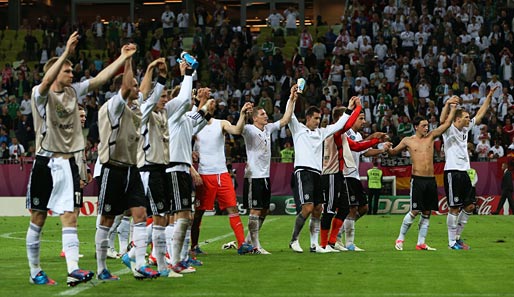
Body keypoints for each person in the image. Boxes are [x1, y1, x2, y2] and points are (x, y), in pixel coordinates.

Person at [25, 31, 125, 286]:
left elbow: (100, 79)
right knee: (38, 217)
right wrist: (66, 53)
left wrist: (122, 58)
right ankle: (35, 271)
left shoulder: (73, 92)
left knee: (70, 215)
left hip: (67, 163)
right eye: (68, 71)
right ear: (56, 72)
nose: (72, 75)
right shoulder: (41, 93)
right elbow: (46, 81)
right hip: (45, 163)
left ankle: (73, 268)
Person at [96, 45, 161, 280]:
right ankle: (102, 267)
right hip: (112, 168)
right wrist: (129, 60)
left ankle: (140, 264)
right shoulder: (114, 106)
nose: (137, 89)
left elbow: (141, 90)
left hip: (132, 169)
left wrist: (151, 69)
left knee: (141, 214)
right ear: (123, 89)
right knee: (106, 219)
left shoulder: (134, 107)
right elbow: (127, 86)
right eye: (133, 86)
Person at [288, 96, 356, 253]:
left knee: (318, 208)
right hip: (303, 171)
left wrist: (349, 109)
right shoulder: (298, 129)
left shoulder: (322, 132)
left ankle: (314, 245)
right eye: (316, 118)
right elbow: (290, 114)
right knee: (307, 208)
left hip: (317, 173)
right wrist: (292, 99)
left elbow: (339, 124)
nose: (318, 121)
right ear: (308, 118)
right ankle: (294, 240)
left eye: (320, 118)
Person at [389, 97, 458, 251]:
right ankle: (400, 239)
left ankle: (421, 243)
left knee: (427, 212)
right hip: (418, 180)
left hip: (431, 180)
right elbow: (394, 152)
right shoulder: (408, 141)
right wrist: (387, 148)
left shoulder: (431, 137)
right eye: (424, 126)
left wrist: (450, 106)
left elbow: (446, 124)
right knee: (414, 211)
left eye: (427, 125)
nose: (427, 128)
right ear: (416, 127)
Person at [164, 64, 212, 274]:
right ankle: (172, 259)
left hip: (182, 170)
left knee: (184, 217)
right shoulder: (173, 116)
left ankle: (178, 258)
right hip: (174, 169)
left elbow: (200, 120)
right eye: (189, 99)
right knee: (179, 216)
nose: (190, 102)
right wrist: (188, 74)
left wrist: (205, 104)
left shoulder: (184, 119)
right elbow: (185, 101)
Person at [191, 101, 255, 255]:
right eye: (208, 104)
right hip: (204, 175)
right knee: (198, 212)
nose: (210, 107)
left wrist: (241, 115)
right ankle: (193, 246)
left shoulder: (221, 124)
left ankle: (241, 245)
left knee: (232, 207)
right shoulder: (192, 127)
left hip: (221, 174)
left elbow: (237, 130)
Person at [241, 84, 297, 254]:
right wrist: (244, 113)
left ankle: (248, 242)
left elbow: (286, 119)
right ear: (254, 118)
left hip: (264, 176)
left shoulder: (268, 129)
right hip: (253, 176)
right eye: (262, 114)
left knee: (264, 210)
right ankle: (255, 246)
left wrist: (291, 98)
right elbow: (239, 127)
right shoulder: (249, 130)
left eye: (266, 114)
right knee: (255, 209)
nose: (266, 116)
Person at [441, 86, 498, 250]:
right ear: (457, 119)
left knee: (470, 206)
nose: (469, 119)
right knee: (453, 207)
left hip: (465, 172)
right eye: (466, 117)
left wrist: (489, 97)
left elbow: (480, 114)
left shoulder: (466, 129)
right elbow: (443, 119)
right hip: (452, 171)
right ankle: (451, 242)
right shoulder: (448, 129)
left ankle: (457, 238)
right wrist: (448, 105)